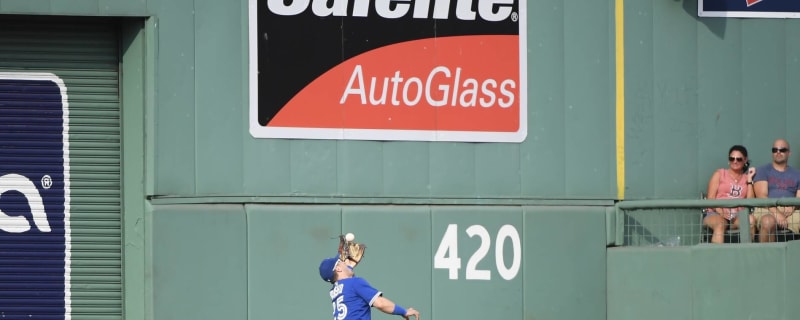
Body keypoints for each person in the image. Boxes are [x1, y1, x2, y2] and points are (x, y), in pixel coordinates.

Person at [319, 254, 420, 320]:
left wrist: (348, 268)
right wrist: (404, 311)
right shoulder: (355, 283)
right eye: (341, 262)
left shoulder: (334, 291)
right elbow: (380, 304)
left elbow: (345, 281)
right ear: (338, 268)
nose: (345, 262)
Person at [703, 145, 756, 243]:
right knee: (720, 224)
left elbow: (750, 201)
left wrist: (749, 179)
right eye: (732, 158)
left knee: (751, 220)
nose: (735, 161)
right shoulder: (720, 174)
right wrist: (722, 212)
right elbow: (710, 198)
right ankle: (718, 257)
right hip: (715, 213)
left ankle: (747, 254)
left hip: (736, 216)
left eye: (739, 159)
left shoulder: (746, 178)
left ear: (745, 160)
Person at [753, 138, 800, 243]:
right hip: (767, 208)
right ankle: (766, 257)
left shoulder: (797, 174)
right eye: (775, 150)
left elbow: (799, 198)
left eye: (782, 150)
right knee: (768, 221)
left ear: (789, 153)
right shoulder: (763, 170)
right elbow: (762, 197)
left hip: (791, 209)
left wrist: (792, 206)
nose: (778, 152)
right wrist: (777, 213)